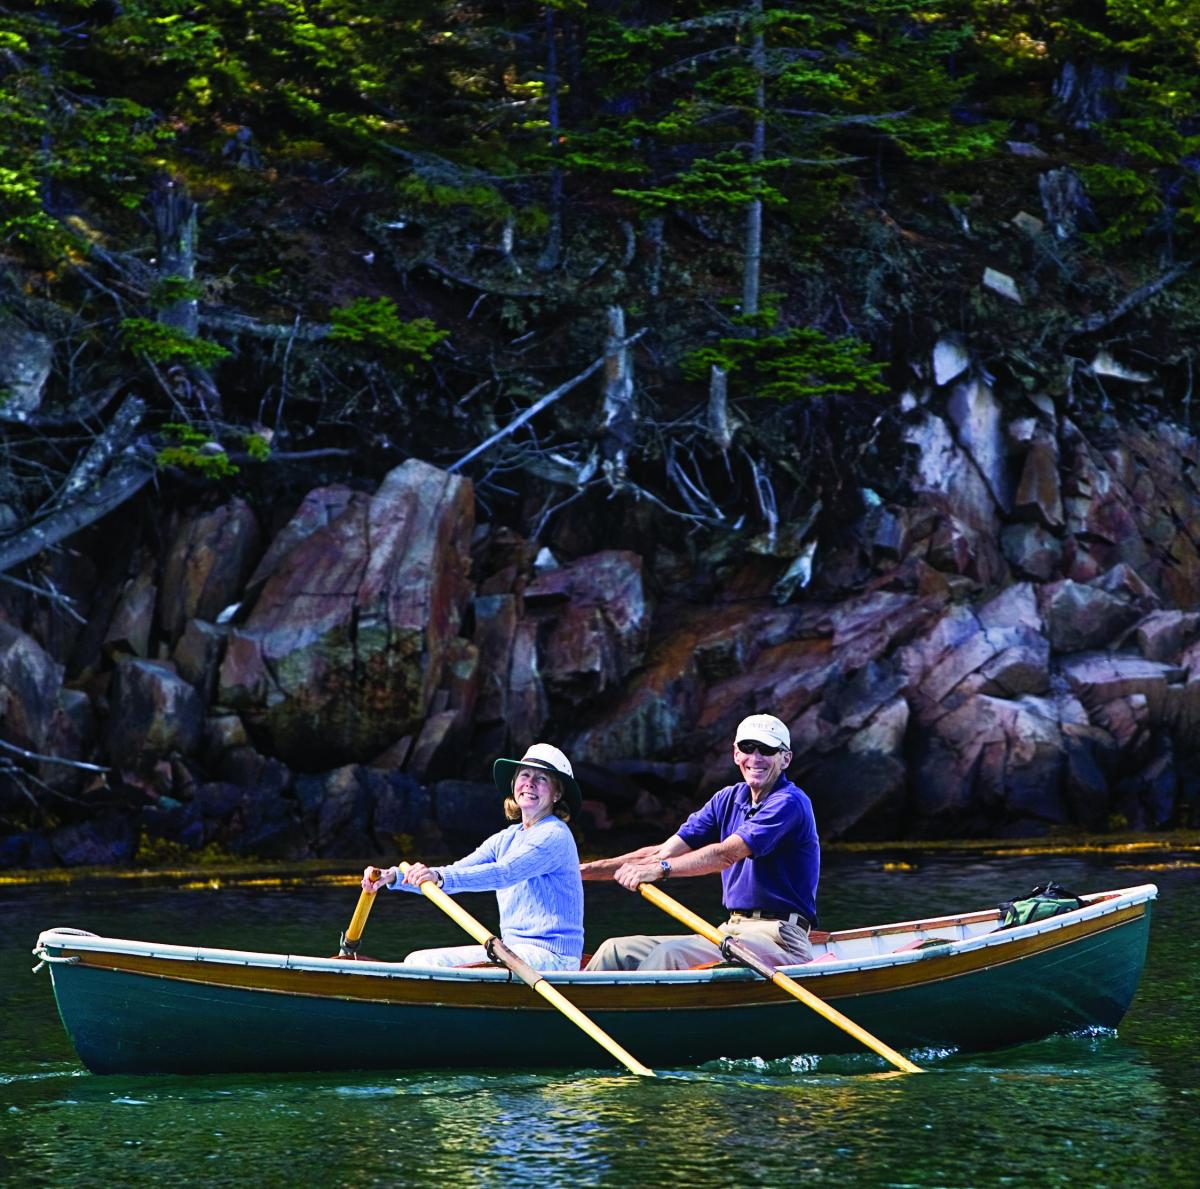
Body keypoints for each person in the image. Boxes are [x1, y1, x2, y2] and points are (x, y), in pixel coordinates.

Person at [581, 713, 818, 971]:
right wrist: (581, 872)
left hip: (781, 938)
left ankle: (643, 1008)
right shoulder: (727, 798)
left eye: (767, 749)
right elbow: (662, 852)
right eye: (748, 748)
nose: (756, 758)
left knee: (671, 954)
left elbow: (726, 854)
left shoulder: (790, 802)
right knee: (614, 950)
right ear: (736, 754)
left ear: (786, 759)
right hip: (732, 929)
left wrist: (660, 870)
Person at [362, 743, 585, 971]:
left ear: (557, 794)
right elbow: (455, 871)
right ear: (514, 785)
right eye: (525, 775)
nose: (530, 783)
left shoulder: (554, 835)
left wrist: (438, 876)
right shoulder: (506, 838)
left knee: (423, 963)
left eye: (542, 779)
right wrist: (391, 877)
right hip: (516, 952)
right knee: (416, 960)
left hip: (554, 959)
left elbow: (504, 873)